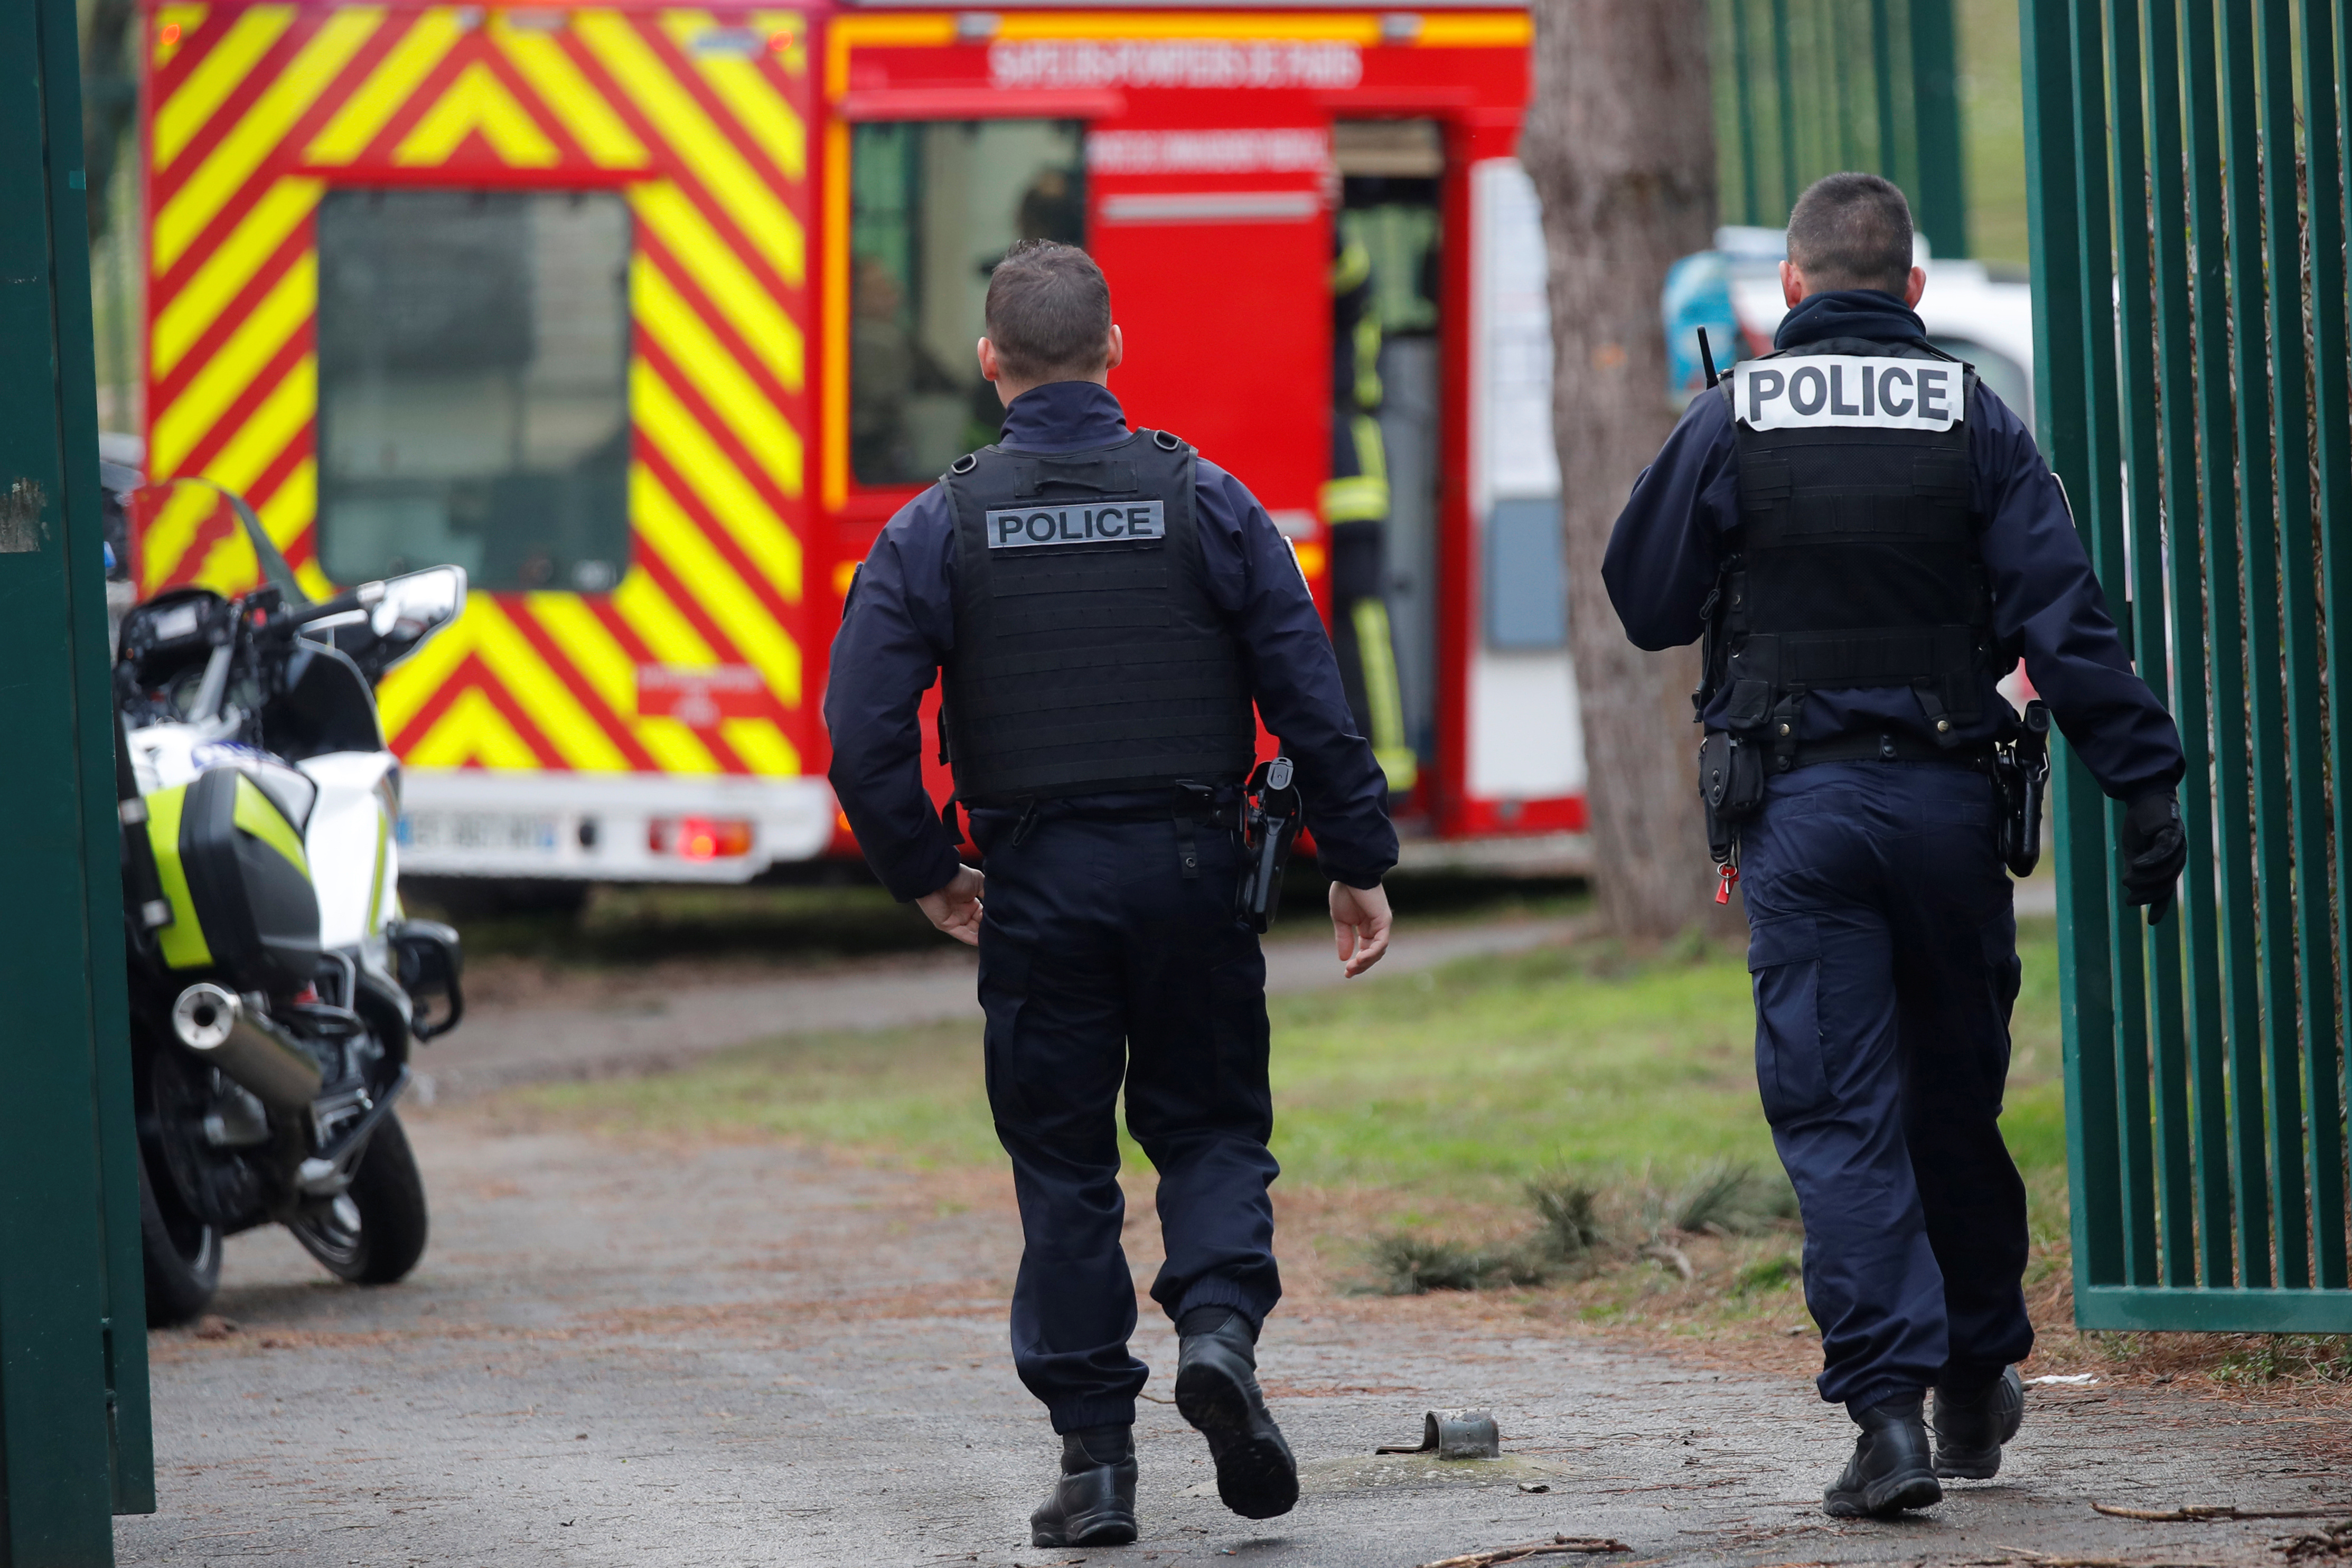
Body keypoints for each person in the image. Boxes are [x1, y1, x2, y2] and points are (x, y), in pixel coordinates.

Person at [1604, 173, 2188, 1520]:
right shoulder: (1973, 415)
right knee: (1950, 1102)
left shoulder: (1735, 411)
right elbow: (2065, 618)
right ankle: (1974, 1372)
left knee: (1839, 1115)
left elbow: (1644, 603)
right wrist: (2142, 782)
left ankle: (1888, 1421)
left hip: (1800, 817)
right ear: (1913, 292)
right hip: (1943, 812)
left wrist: (1709, 469)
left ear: (1792, 290)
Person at [826, 239, 1400, 1547]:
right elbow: (1309, 692)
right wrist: (1355, 859)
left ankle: (1096, 1473)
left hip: (1035, 886)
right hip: (1196, 874)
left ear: (990, 366)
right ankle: (1216, 1336)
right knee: (1206, 1131)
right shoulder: (1205, 499)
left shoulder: (937, 527)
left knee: (1065, 1169)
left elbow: (861, 731)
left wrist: (926, 875)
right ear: (1114, 352)